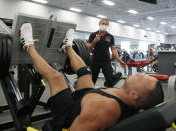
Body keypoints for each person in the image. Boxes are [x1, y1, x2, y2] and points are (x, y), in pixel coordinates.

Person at [20, 23, 164, 131]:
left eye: (142, 78)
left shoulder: (105, 108)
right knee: (85, 72)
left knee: (56, 76)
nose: (140, 74)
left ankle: (27, 45)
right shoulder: (126, 99)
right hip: (86, 100)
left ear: (134, 95)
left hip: (68, 115)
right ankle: (67, 47)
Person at [87, 18, 126, 87]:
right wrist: (94, 42)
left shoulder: (110, 36)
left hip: (106, 61)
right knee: (92, 80)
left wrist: (120, 61)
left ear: (108, 25)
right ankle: (89, 93)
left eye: (106, 24)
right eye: (103, 23)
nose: (104, 25)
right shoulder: (93, 35)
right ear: (99, 24)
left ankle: (108, 91)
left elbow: (113, 50)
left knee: (110, 79)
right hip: (95, 60)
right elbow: (89, 48)